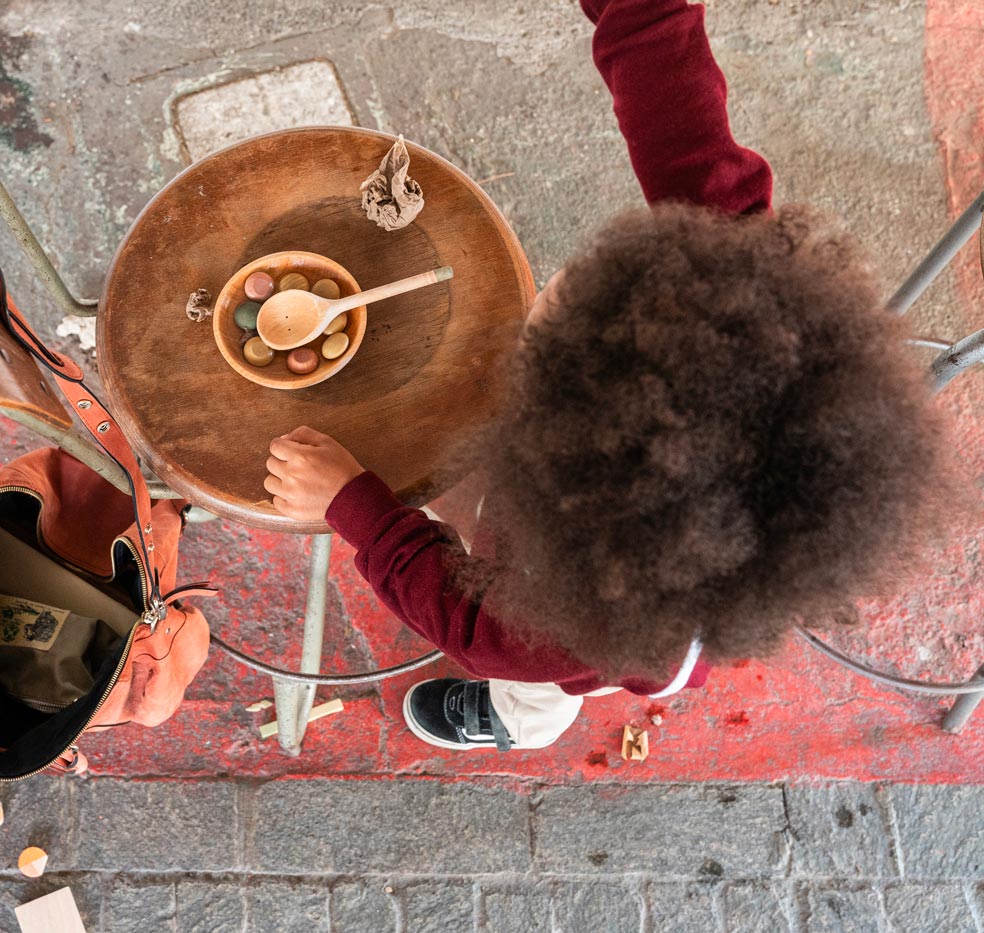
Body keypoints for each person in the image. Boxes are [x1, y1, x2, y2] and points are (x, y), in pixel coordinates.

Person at [261, 0, 946, 751]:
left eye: (549, 348)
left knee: (535, 684)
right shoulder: (733, 292)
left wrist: (354, 505)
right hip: (566, 561)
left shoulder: (576, 623)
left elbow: (472, 630)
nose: (555, 294)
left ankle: (519, 723)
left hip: (580, 633)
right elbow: (667, 83)